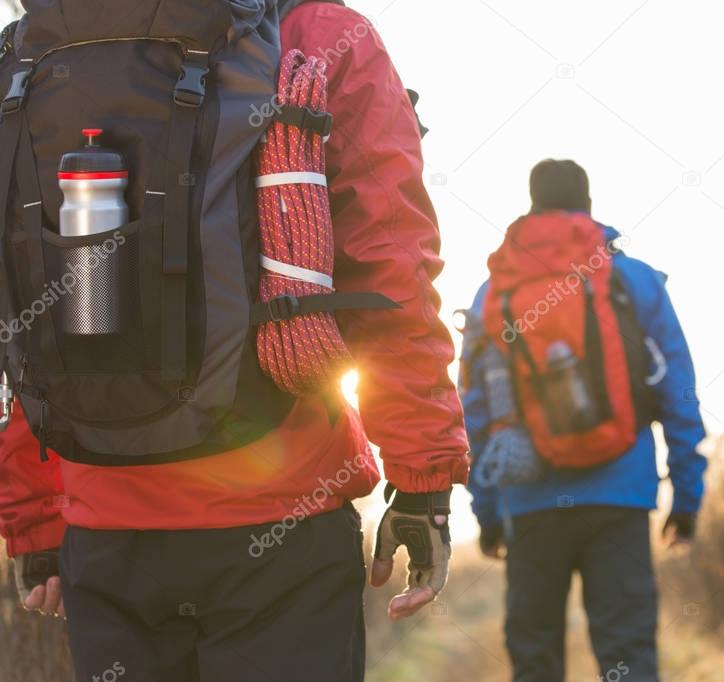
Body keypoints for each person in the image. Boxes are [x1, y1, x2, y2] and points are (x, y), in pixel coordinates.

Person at [0, 2, 468, 681]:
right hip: (283, 523)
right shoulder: (317, 35)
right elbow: (390, 265)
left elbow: (20, 300)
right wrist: (423, 479)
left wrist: (36, 513)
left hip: (104, 529)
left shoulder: (31, 50)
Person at [460, 159, 708, 682]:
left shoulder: (494, 294)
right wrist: (686, 499)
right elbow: (678, 393)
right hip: (620, 495)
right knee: (627, 659)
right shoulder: (632, 279)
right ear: (589, 210)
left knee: (536, 661)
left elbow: (475, 413)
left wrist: (488, 513)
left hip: (529, 502)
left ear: (530, 209)